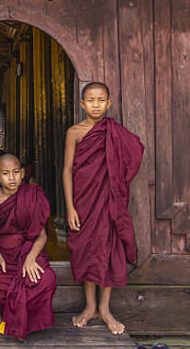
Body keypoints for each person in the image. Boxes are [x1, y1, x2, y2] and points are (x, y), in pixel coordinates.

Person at [62, 82, 144, 335]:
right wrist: (70, 208)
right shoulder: (74, 132)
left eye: (100, 100)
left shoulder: (115, 133)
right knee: (87, 251)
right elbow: (67, 171)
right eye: (90, 100)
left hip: (108, 203)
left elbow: (134, 154)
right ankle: (89, 307)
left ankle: (105, 309)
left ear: (108, 103)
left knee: (107, 251)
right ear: (82, 104)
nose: (95, 105)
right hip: (84, 201)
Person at [0, 154, 57, 341]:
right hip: (4, 254)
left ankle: (25, 318)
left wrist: (31, 258)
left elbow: (42, 235)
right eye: (6, 173)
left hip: (28, 251)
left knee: (47, 279)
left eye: (16, 172)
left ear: (23, 173)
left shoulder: (32, 194)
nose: (12, 177)